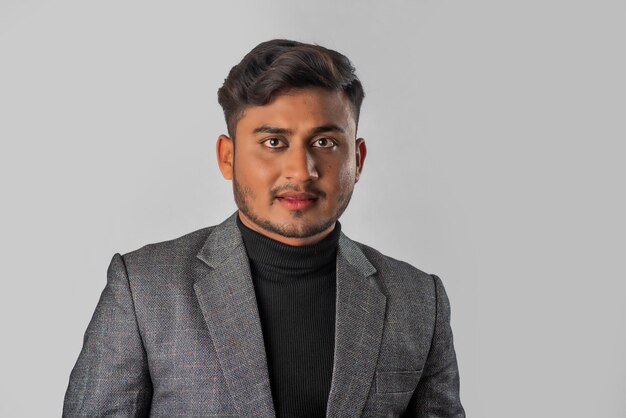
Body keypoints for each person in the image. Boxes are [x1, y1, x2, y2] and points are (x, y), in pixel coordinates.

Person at [63, 39, 465, 417]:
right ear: (227, 157)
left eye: (324, 142)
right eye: (274, 142)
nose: (301, 171)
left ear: (357, 160)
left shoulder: (418, 301)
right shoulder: (144, 288)